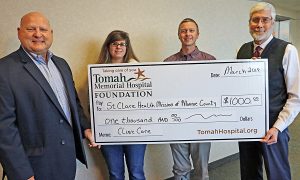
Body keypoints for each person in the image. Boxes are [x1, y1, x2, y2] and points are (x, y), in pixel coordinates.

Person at [0, 12, 97, 180]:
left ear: (51, 33)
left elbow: (72, 103)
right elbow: (4, 129)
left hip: (66, 161)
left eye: (43, 29)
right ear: (19, 32)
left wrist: (85, 128)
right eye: (31, 29)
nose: (38, 34)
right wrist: (22, 174)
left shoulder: (62, 64)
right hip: (33, 167)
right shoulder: (4, 69)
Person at [237, 2, 300, 180]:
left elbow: (295, 97)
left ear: (272, 22)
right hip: (246, 125)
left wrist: (278, 127)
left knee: (278, 174)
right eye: (255, 20)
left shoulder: (287, 50)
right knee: (248, 173)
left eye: (265, 19)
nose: (260, 24)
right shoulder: (242, 50)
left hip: (274, 127)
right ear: (249, 23)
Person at [164, 18, 215, 180]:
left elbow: (216, 92)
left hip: (201, 123)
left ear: (197, 34)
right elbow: (164, 93)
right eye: (183, 31)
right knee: (180, 169)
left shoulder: (210, 61)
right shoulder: (167, 63)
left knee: (201, 170)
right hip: (177, 123)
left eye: (191, 30)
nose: (187, 34)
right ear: (179, 35)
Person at [98, 30, 147, 180]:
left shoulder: (138, 70)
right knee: (115, 174)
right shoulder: (97, 71)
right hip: (109, 130)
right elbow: (93, 103)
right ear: (108, 46)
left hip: (135, 131)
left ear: (127, 47)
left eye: (122, 44)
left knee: (137, 173)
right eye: (115, 43)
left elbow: (146, 100)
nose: (119, 47)